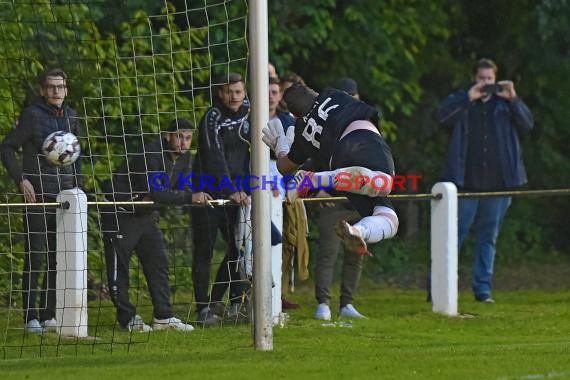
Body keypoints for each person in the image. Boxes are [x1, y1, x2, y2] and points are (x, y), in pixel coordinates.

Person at [262, 83, 400, 317]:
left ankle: (359, 232)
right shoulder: (332, 94)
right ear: (314, 92)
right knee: (385, 182)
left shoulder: (302, 129)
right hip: (361, 140)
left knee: (388, 217)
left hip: (344, 166)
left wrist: (280, 145)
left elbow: (285, 167)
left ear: (295, 114)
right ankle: (315, 180)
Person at [436, 58, 534, 303]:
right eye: (482, 79)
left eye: (490, 79)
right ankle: (439, 288)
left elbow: (528, 124)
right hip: (465, 183)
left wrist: (513, 98)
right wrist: (467, 98)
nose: (486, 84)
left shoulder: (505, 104)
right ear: (474, 78)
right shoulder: (463, 101)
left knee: (488, 238)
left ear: (496, 79)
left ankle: (483, 290)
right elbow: (441, 118)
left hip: (499, 185)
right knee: (453, 236)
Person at [101, 118, 210, 332]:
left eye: (188, 138)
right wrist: (188, 198)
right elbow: (159, 193)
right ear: (167, 136)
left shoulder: (186, 157)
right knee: (119, 269)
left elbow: (181, 188)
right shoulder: (150, 153)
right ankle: (127, 318)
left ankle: (163, 316)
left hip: (147, 215)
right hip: (120, 213)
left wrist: (192, 194)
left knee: (159, 263)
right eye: (179, 136)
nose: (183, 142)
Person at [0, 68, 82, 333]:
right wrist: (21, 179)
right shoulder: (32, 115)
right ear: (43, 90)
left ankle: (49, 314)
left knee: (59, 258)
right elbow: (7, 147)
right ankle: (30, 316)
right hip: (37, 197)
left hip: (65, 197)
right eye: (50, 87)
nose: (56, 91)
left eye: (60, 86)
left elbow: (75, 155)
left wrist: (78, 188)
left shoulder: (72, 116)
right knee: (36, 256)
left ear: (66, 90)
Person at [192, 72, 251, 326]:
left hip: (238, 195)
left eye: (238, 91)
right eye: (229, 91)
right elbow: (214, 155)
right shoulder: (212, 117)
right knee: (203, 252)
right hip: (208, 194)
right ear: (220, 92)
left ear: (245, 91)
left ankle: (228, 300)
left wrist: (249, 188)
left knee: (238, 248)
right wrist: (229, 190)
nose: (234, 97)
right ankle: (203, 308)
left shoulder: (251, 113)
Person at [312, 77, 366, 320]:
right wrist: (316, 190)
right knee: (328, 254)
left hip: (358, 200)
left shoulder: (366, 126)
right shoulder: (323, 128)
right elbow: (309, 162)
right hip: (331, 202)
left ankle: (347, 303)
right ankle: (323, 303)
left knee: (356, 253)